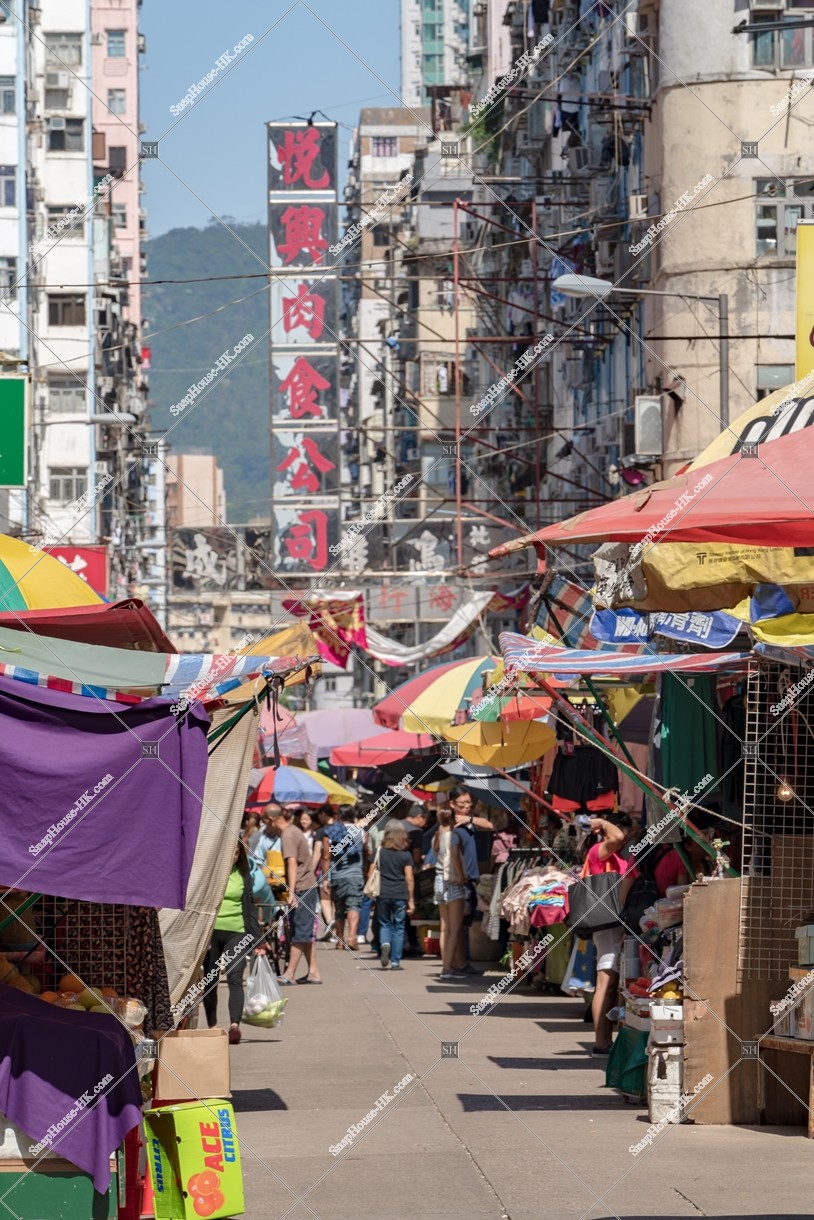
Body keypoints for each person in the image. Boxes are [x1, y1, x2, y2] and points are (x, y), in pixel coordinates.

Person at [203, 841, 268, 1044]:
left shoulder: (243, 875)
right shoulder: (211, 875)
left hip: (237, 932)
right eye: (229, 850)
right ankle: (212, 1025)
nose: (233, 855)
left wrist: (260, 941)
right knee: (210, 980)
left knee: (235, 976)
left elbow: (249, 910)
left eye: (237, 851)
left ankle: (234, 1026)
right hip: (211, 933)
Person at [584, 813, 637, 1056]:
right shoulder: (599, 851)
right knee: (605, 979)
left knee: (613, 980)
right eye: (626, 832)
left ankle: (606, 1039)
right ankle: (601, 1042)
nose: (627, 837)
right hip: (605, 922)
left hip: (615, 920)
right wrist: (604, 823)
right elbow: (617, 835)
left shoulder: (619, 855)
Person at [269, 806, 322, 985]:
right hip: (305, 887)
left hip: (302, 888)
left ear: (271, 819)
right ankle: (313, 972)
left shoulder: (288, 834)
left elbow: (292, 863)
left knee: (299, 932)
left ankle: (290, 973)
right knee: (305, 930)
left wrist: (291, 892)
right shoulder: (294, 830)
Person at [432, 808, 470, 981]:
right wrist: (462, 876)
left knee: (444, 927)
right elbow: (455, 855)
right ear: (453, 819)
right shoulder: (453, 836)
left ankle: (446, 964)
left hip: (438, 881)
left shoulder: (436, 837)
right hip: (453, 881)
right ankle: (448, 968)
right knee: (455, 928)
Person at [321, 805, 365, 952]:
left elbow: (326, 857)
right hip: (355, 875)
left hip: (337, 876)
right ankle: (352, 937)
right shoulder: (361, 832)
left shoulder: (330, 833)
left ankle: (340, 941)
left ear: (339, 816)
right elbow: (367, 852)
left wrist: (325, 878)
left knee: (339, 909)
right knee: (354, 905)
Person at [377, 823, 414, 970]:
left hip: (383, 892)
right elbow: (409, 878)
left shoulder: (380, 852)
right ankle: (395, 962)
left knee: (385, 923)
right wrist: (411, 899)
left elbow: (370, 872)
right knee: (399, 927)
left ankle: (385, 943)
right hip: (400, 894)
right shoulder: (406, 855)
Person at [311, 805, 336, 942]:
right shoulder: (340, 829)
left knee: (325, 898)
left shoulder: (321, 832)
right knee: (335, 900)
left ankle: (330, 922)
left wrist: (311, 871)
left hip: (325, 868)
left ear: (323, 814)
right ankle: (335, 927)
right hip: (340, 868)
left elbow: (317, 854)